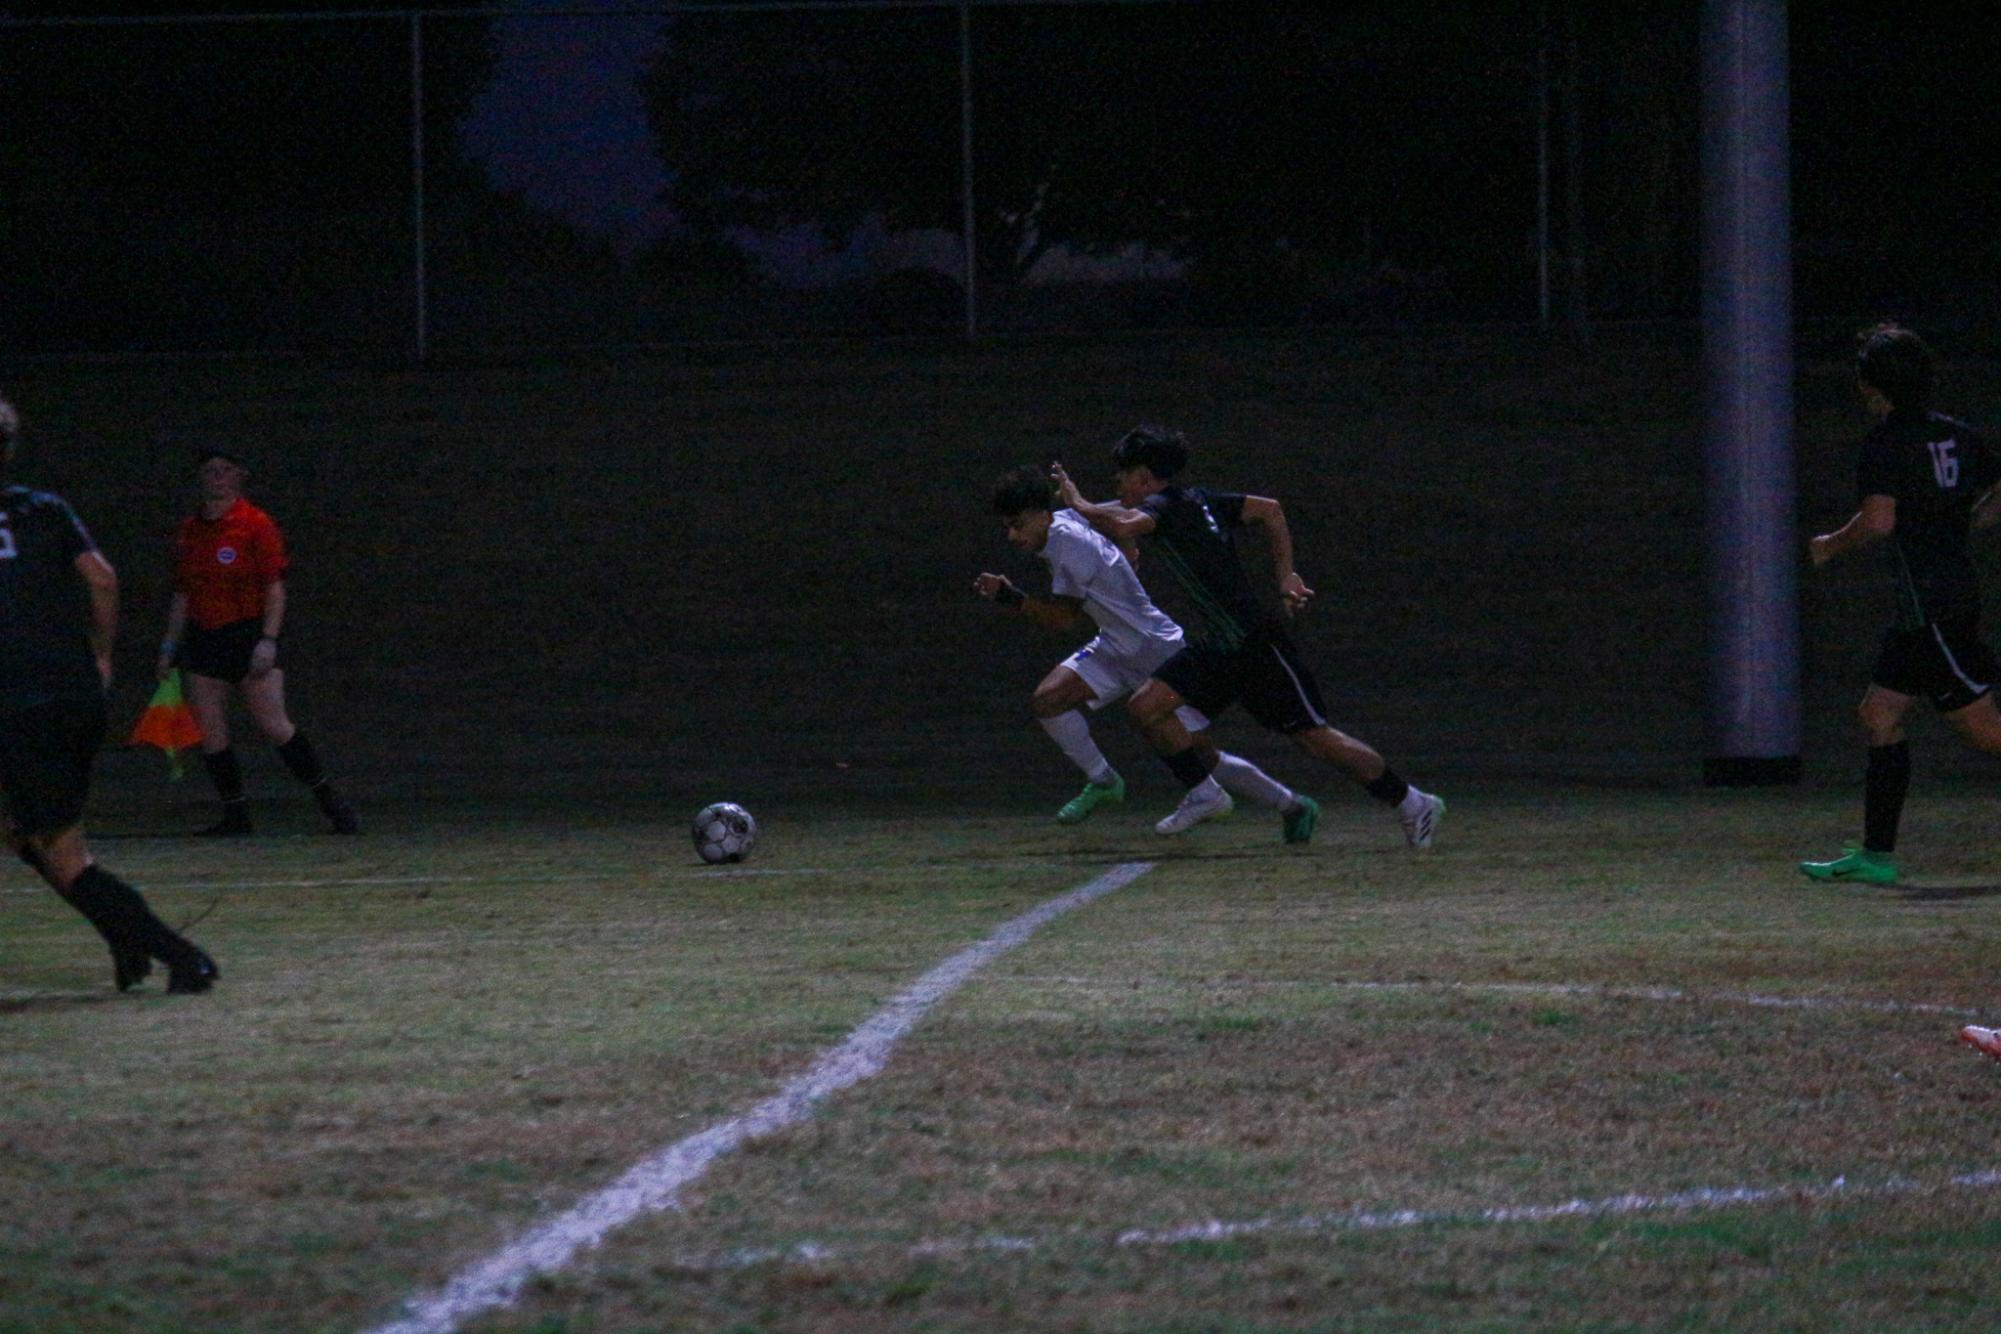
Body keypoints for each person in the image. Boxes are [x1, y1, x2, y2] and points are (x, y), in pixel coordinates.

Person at [1053, 427, 1445, 848]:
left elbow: (1126, 520)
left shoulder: (1164, 508)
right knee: (1146, 707)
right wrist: (1287, 575)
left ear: (1145, 477)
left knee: (1315, 740)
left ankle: (1411, 801)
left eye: (1123, 476)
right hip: (1221, 647)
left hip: (1256, 645)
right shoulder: (1196, 500)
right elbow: (1270, 510)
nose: (1118, 484)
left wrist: (1078, 503)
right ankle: (1204, 793)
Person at [0, 394, 218, 994]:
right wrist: (100, 653)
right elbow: (101, 577)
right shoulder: (43, 507)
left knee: (61, 853)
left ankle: (181, 956)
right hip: (71, 695)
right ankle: (127, 937)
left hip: (16, 705)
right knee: (26, 833)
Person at [976, 465, 1321, 838]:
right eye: (1007, 526)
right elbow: (1118, 513)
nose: (1012, 535)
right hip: (1114, 642)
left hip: (1156, 648)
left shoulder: (1068, 547)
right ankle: (1105, 781)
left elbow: (1062, 620)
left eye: (1017, 524)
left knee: (1201, 754)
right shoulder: (1063, 518)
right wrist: (1126, 543)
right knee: (1048, 700)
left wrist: (1010, 597)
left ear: (1043, 515)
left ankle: (1292, 805)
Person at [1802, 323, 2001, 886]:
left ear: (1873, 386)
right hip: (1933, 604)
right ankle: (1877, 857)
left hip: (1932, 607)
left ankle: (1877, 855)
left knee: (1988, 732)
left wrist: (1828, 546)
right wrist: (1968, 519)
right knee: (1879, 714)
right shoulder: (1955, 434)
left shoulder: (1886, 442)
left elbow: (1880, 520)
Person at [159, 449, 358, 836]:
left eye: (225, 470)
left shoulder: (255, 524)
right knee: (212, 732)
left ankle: (334, 806)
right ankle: (235, 816)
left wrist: (268, 639)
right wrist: (169, 645)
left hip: (246, 633)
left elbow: (274, 586)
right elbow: (183, 592)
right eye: (209, 471)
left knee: (274, 724)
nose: (217, 477)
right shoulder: (190, 529)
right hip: (204, 638)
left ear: (239, 476)